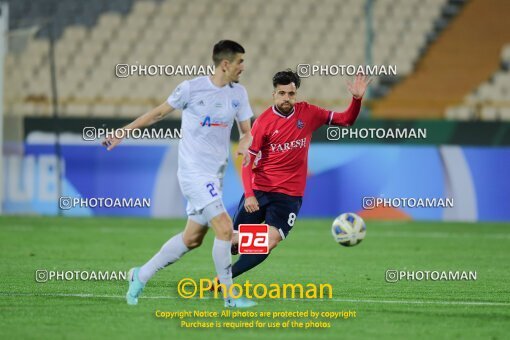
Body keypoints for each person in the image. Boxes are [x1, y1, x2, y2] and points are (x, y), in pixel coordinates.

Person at [103, 40, 256, 308]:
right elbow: (158, 114)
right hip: (193, 173)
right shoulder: (191, 88)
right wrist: (122, 131)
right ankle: (230, 296)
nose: (243, 67)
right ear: (225, 64)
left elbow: (247, 131)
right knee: (224, 227)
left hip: (215, 176)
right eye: (240, 62)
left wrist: (246, 141)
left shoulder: (239, 94)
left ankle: (141, 274)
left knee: (192, 239)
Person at [229, 69, 371, 279]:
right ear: (274, 95)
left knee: (269, 241)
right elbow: (247, 162)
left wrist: (356, 99)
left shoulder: (309, 113)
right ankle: (233, 241)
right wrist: (249, 194)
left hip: (289, 196)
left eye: (291, 94)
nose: (286, 98)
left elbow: (346, 120)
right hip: (259, 191)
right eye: (282, 93)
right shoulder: (263, 122)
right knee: (231, 241)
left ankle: (223, 278)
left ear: (296, 94)